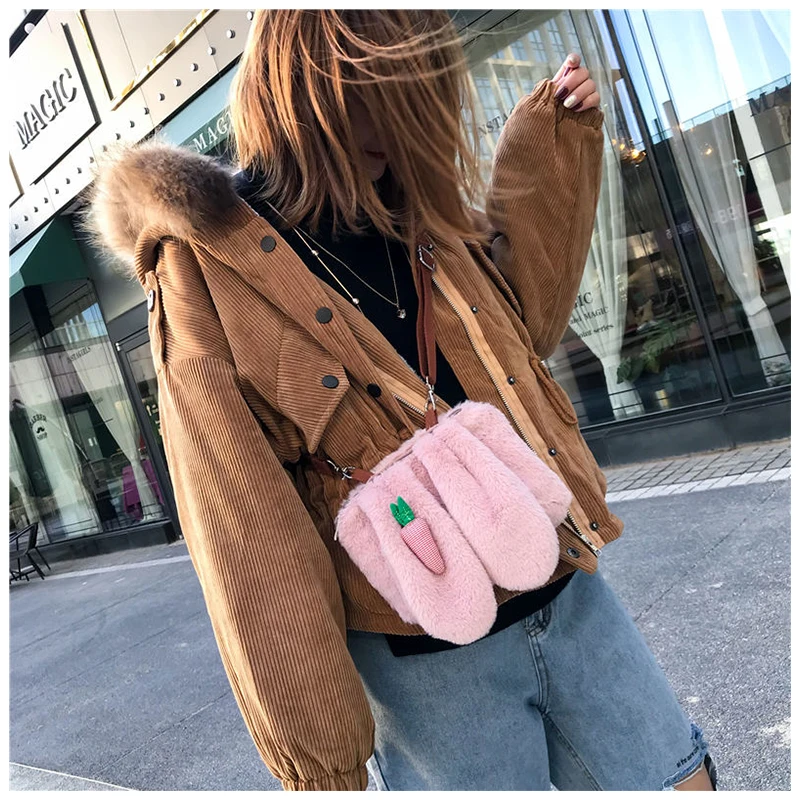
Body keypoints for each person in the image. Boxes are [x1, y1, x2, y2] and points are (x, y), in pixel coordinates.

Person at [89, 9, 716, 792]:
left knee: (681, 777)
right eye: (375, 98)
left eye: (416, 96)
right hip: (426, 660)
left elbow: (521, 333)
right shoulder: (205, 269)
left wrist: (553, 146)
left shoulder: (415, 209)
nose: (395, 127)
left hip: (561, 576)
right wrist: (322, 759)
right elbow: (244, 528)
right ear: (305, 89)